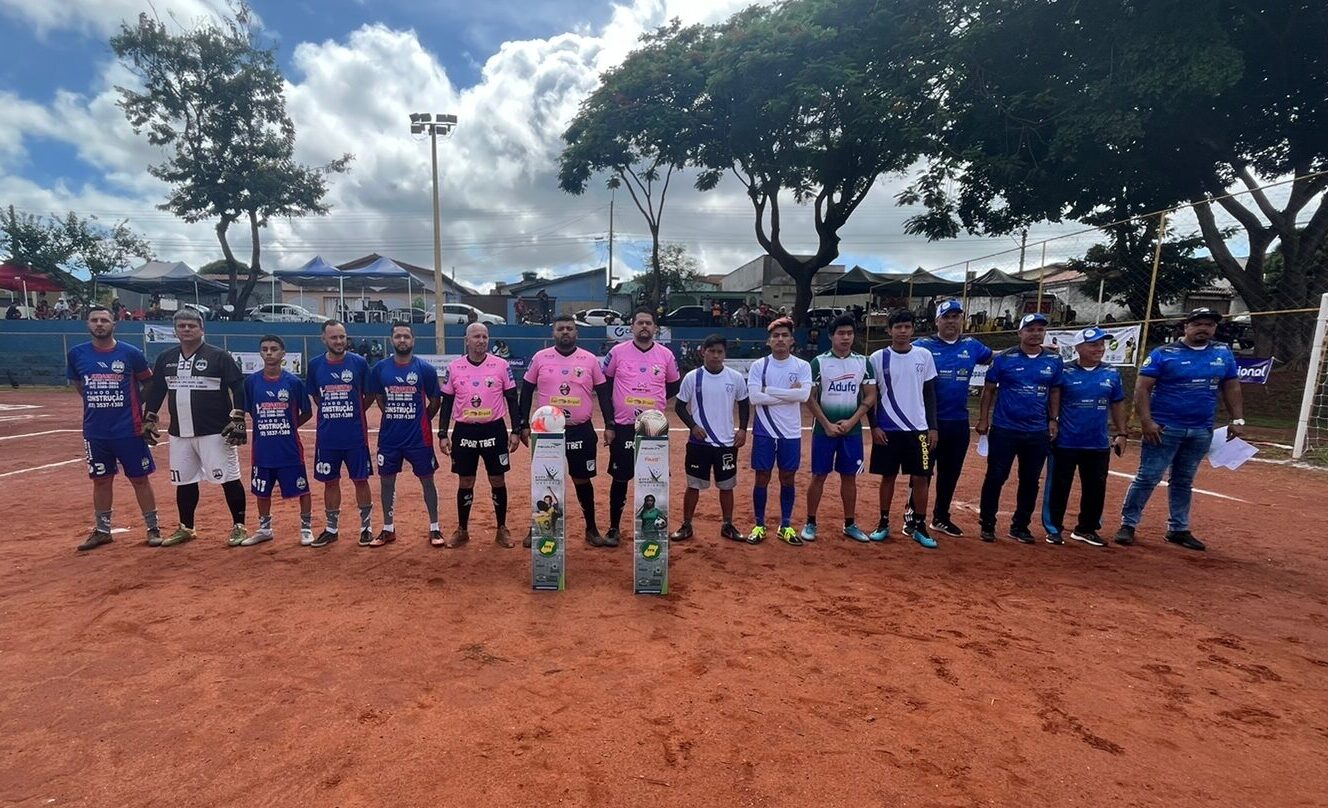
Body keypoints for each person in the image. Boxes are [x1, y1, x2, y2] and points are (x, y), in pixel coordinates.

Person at [1115, 308, 1244, 551]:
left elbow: (1232, 387)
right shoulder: (1163, 354)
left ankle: (1178, 528)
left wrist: (1238, 420)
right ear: (1185, 327)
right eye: (1198, 324)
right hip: (1164, 428)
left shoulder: (1222, 353)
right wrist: (1146, 422)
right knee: (1148, 477)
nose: (1203, 329)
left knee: (1184, 480)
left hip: (1201, 430)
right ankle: (1128, 524)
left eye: (1209, 324)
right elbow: (1142, 389)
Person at [143, 308, 249, 547]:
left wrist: (239, 417)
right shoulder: (166, 358)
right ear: (175, 330)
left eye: (192, 325)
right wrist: (149, 416)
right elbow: (157, 388)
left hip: (215, 430)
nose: (187, 329)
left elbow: (238, 386)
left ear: (202, 329)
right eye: (182, 326)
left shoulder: (219, 356)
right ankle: (186, 527)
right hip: (179, 432)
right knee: (184, 481)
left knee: (229, 479)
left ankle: (239, 526)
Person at [66, 305, 160, 551]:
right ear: (88, 324)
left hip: (129, 429)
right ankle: (102, 530)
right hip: (95, 431)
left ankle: (153, 528)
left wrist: (139, 407)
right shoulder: (77, 354)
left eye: (104, 320)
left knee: (140, 479)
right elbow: (79, 385)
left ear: (114, 324)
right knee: (100, 480)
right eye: (95, 320)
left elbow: (149, 383)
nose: (99, 324)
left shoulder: (130, 353)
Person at [517, 314, 615, 548]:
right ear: (554, 333)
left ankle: (591, 529)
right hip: (547, 433)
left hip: (581, 430)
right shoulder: (540, 358)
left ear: (576, 333)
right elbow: (526, 391)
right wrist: (522, 424)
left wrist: (610, 425)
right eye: (560, 329)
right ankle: (539, 526)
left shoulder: (590, 360)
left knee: (582, 480)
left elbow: (603, 394)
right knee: (545, 480)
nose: (565, 332)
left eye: (569, 329)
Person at [975, 312, 1063, 543]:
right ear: (1020, 332)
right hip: (1005, 429)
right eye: (1030, 329)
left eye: (1039, 330)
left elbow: (1055, 390)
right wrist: (984, 419)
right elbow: (989, 389)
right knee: (995, 476)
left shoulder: (1053, 361)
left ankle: (1020, 526)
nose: (1035, 334)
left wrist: (1053, 419)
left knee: (1030, 480)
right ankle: (987, 523)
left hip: (1037, 431)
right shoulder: (1005, 358)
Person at [907, 300, 993, 536]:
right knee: (921, 472)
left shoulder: (972, 346)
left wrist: (1039, 351)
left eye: (956, 317)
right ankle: (912, 517)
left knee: (950, 473)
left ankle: (941, 517)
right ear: (937, 321)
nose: (952, 321)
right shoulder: (922, 347)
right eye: (946, 317)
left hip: (957, 423)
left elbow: (996, 357)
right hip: (926, 423)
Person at [601, 308, 681, 545]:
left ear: (655, 328)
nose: (644, 327)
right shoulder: (617, 352)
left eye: (649, 323)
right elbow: (605, 384)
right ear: (632, 327)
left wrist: (655, 402)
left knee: (655, 478)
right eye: (640, 323)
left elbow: (674, 386)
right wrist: (611, 421)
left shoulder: (666, 355)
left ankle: (654, 526)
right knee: (620, 478)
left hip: (654, 429)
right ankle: (614, 527)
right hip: (624, 426)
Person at [1041, 327, 1127, 547]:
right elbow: (1054, 398)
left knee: (1096, 487)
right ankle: (1053, 529)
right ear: (1078, 348)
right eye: (1093, 345)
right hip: (1066, 441)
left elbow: (1117, 404)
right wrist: (1053, 420)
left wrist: (1121, 432)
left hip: (1097, 442)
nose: (1099, 349)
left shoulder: (1111, 373)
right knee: (1059, 485)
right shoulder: (1065, 372)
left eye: (1101, 344)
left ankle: (1086, 529)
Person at [439, 322, 520, 548]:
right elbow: (447, 403)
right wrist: (443, 434)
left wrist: (514, 430)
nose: (481, 340)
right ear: (467, 340)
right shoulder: (455, 367)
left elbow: (512, 399)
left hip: (494, 429)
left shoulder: (501, 365)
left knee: (497, 479)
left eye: (485, 336)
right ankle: (462, 529)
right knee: (466, 480)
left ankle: (502, 528)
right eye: (476, 336)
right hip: (464, 431)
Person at [866, 310, 940, 548]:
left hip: (918, 429)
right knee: (888, 477)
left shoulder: (924, 356)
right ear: (889, 330)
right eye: (897, 327)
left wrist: (933, 427)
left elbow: (929, 394)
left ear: (913, 329)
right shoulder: (877, 358)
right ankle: (884, 522)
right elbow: (869, 395)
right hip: (887, 429)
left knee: (922, 478)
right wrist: (874, 426)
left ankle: (919, 525)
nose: (902, 331)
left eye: (907, 327)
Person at [802, 314, 876, 544]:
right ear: (831, 336)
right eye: (841, 333)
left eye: (850, 333)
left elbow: (871, 395)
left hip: (852, 432)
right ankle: (810, 522)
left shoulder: (863, 362)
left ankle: (850, 524)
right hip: (823, 431)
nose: (846, 337)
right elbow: (810, 398)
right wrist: (826, 424)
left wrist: (852, 421)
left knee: (849, 478)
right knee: (819, 476)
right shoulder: (819, 362)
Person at [367, 322, 443, 547]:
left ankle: (435, 528)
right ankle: (388, 528)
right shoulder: (380, 368)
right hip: (390, 438)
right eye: (398, 336)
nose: (402, 340)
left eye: (406, 336)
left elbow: (435, 400)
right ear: (392, 340)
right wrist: (394, 415)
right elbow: (380, 397)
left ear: (413, 340)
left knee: (427, 480)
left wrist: (421, 419)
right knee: (387, 481)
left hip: (419, 438)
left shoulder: (425, 369)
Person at [671, 334, 750, 541]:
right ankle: (687, 524)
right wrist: (693, 426)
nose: (716, 356)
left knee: (727, 486)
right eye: (711, 351)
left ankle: (727, 524)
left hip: (726, 443)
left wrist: (742, 429)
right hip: (699, 443)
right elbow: (679, 406)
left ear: (725, 354)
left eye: (720, 352)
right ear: (703, 352)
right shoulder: (692, 377)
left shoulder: (735, 378)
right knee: (693, 485)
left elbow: (743, 403)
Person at [307, 320, 375, 548]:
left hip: (355, 437)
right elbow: (317, 397)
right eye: (334, 337)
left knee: (361, 480)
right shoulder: (315, 365)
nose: (339, 341)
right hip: (327, 438)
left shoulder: (359, 363)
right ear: (323, 339)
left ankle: (366, 528)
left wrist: (354, 412)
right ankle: (331, 529)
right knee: (330, 482)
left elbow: (369, 395)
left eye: (342, 337)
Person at [744, 317, 813, 544]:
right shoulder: (759, 366)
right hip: (764, 430)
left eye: (785, 335)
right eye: (776, 336)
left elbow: (803, 396)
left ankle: (785, 525)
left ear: (792, 340)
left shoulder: (802, 366)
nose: (780, 339)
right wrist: (787, 394)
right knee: (762, 477)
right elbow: (754, 397)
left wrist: (769, 390)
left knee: (787, 477)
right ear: (769, 341)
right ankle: (759, 525)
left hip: (790, 432)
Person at [243, 335, 314, 546]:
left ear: (283, 353)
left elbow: (307, 412)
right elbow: (250, 411)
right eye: (264, 349)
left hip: (289, 449)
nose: (269, 353)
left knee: (302, 489)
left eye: (274, 349)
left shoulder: (293, 382)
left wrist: (290, 426)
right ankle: (265, 529)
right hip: (262, 449)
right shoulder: (252, 382)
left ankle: (306, 528)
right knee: (262, 490)